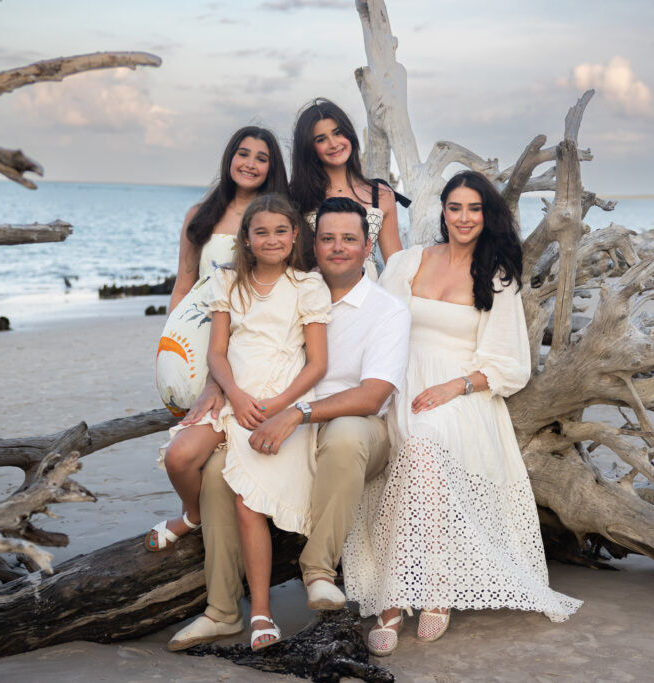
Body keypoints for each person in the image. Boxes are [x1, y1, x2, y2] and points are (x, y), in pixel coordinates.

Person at [341, 171, 582, 657]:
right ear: (443, 212)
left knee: (425, 446)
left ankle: (427, 590)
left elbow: (511, 364)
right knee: (406, 449)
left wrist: (455, 385)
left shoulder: (496, 276)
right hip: (399, 381)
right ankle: (398, 593)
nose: (464, 218)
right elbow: (373, 324)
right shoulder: (409, 262)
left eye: (474, 209)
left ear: (486, 215)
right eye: (455, 208)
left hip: (461, 392)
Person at [166, 197, 411, 652]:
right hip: (284, 419)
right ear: (312, 243)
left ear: (367, 245)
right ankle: (222, 610)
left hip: (352, 427)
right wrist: (219, 388)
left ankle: (317, 570)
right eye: (329, 239)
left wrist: (295, 413)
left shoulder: (387, 310)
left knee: (347, 434)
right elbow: (240, 346)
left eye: (349, 240)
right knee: (219, 476)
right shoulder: (294, 285)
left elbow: (373, 396)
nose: (338, 248)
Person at [150, 194, 331, 650]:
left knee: (248, 503)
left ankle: (261, 616)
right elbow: (215, 351)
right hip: (235, 394)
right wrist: (232, 392)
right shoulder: (228, 281)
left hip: (279, 398)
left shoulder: (307, 285)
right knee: (179, 455)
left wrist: (279, 405)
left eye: (280, 231)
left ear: (294, 236)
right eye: (261, 232)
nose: (271, 239)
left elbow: (317, 365)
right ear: (246, 240)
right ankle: (190, 515)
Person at [156, 126, 288, 416]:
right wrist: (173, 337)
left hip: (248, 335)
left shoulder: (276, 221)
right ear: (230, 158)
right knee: (191, 412)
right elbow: (183, 286)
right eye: (243, 154)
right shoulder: (199, 215)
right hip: (200, 334)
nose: (250, 164)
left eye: (261, 158)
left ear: (272, 167)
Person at [289, 98, 406, 278]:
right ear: (309, 148)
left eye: (338, 133)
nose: (334, 144)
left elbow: (396, 267)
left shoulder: (381, 194)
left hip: (367, 293)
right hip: (313, 294)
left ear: (349, 134)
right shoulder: (297, 196)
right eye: (321, 139)